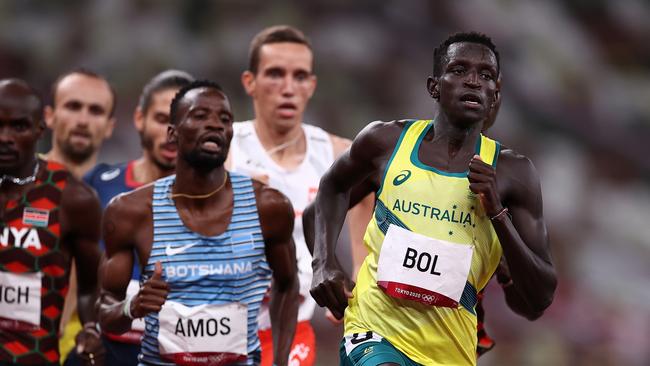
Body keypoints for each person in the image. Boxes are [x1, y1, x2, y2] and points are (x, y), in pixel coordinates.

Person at [310, 32, 557, 365]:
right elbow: (330, 190)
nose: (473, 81)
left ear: (495, 93)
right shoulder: (385, 142)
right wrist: (324, 264)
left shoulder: (514, 174)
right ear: (433, 86)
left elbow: (538, 300)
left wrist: (497, 213)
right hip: (374, 331)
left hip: (450, 350)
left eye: (485, 75)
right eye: (459, 70)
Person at [98, 80, 299, 366]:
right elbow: (106, 314)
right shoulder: (130, 212)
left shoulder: (268, 207)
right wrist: (133, 307)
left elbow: (289, 285)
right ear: (173, 133)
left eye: (225, 119)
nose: (215, 124)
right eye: (200, 115)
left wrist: (279, 362)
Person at [227, 25, 374, 366]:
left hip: (291, 329)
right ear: (250, 82)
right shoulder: (225, 148)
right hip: (223, 326)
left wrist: (356, 293)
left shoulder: (339, 155)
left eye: (299, 76)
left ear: (312, 85)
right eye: (275, 74)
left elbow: (364, 231)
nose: (288, 88)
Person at [62, 70, 194, 366]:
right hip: (105, 348)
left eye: (183, 122)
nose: (171, 133)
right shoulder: (97, 185)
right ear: (139, 119)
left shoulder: (214, 202)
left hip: (176, 352)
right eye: (162, 120)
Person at [0, 78, 104, 365]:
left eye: (18, 126)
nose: (5, 137)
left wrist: (91, 328)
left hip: (32, 357)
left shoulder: (73, 198)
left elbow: (89, 288)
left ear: (39, 131)